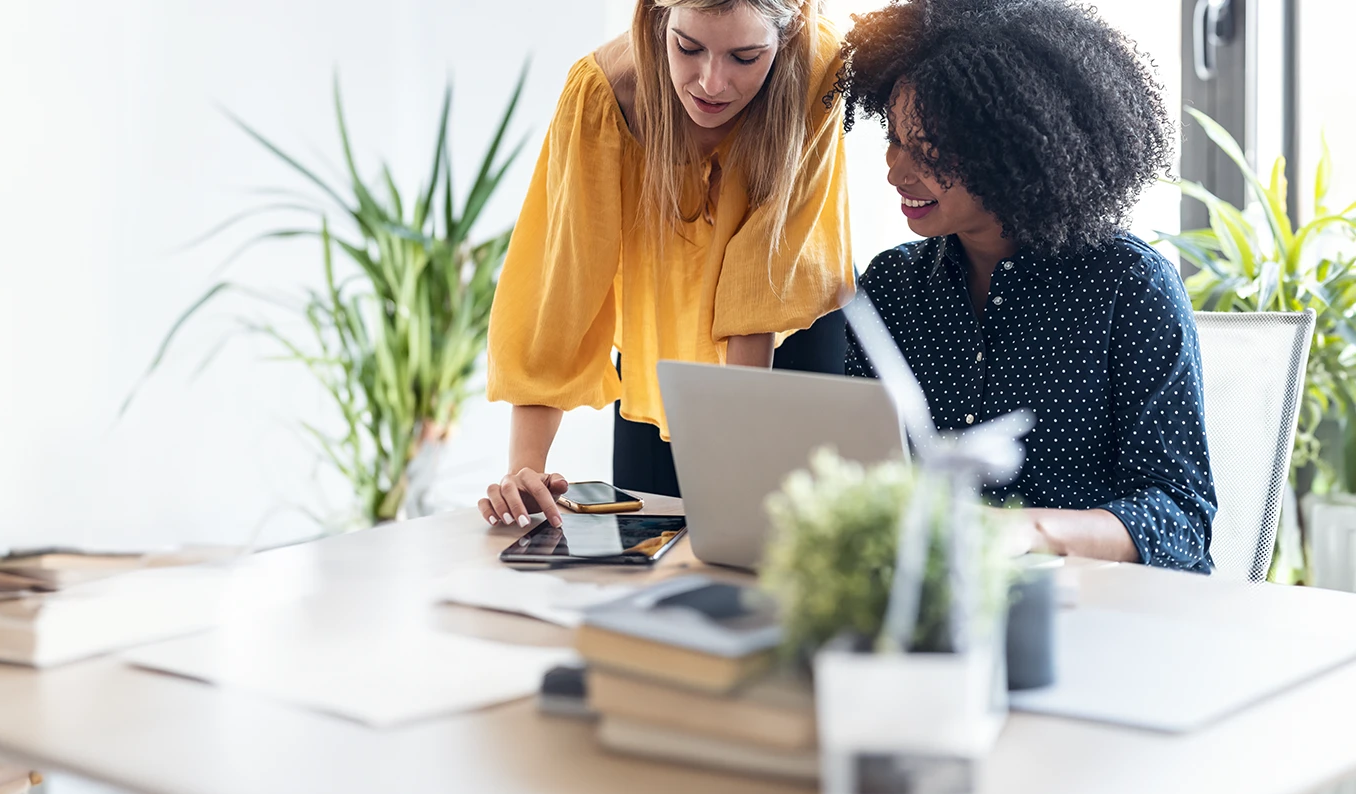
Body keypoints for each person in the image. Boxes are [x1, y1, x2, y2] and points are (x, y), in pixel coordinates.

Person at [838, 0, 1217, 571]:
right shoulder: (892, 287)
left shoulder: (1130, 287)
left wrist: (1025, 529)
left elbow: (1179, 518)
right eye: (894, 139)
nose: (896, 169)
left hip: (1097, 616)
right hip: (930, 607)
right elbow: (865, 480)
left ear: (1013, 148)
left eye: (927, 150)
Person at [479, 0, 854, 529]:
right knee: (651, 553)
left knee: (780, 550)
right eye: (687, 47)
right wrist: (524, 471)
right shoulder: (604, 95)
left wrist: (734, 473)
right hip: (654, 354)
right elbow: (559, 288)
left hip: (786, 335)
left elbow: (762, 279)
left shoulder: (820, 68)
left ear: (788, 34)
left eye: (745, 57)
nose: (711, 83)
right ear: (658, 18)